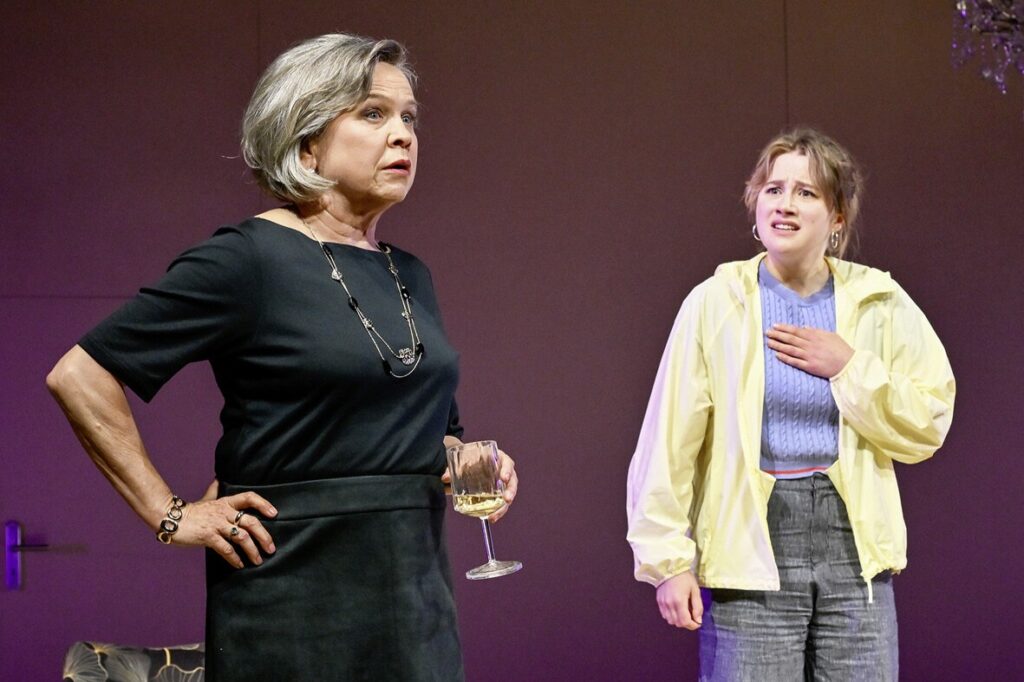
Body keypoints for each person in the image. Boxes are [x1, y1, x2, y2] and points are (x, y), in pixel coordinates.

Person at [46, 33, 518, 681]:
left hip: (414, 601)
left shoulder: (409, 273)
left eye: (410, 118)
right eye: (373, 113)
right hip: (294, 601)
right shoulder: (250, 259)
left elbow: (431, 431)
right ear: (305, 142)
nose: (403, 135)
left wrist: (468, 463)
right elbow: (80, 374)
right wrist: (169, 513)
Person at [626, 128, 954, 680]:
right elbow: (668, 439)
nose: (785, 204)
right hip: (752, 544)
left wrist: (848, 367)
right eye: (773, 189)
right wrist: (667, 561)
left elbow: (930, 419)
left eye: (806, 192)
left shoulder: (879, 301)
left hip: (853, 548)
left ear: (837, 216)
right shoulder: (716, 303)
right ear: (755, 204)